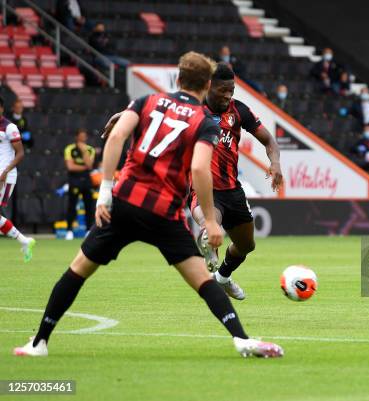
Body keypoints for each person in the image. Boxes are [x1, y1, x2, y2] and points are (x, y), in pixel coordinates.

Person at [13, 52, 283, 358]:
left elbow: (116, 137)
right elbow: (198, 169)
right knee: (201, 280)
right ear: (206, 84)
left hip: (125, 203)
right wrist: (209, 220)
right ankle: (242, 340)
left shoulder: (146, 102)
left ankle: (39, 343)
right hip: (163, 211)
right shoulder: (203, 121)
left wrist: (104, 192)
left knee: (78, 270)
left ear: (177, 79)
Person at [191, 63, 283, 300]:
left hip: (233, 189)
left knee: (246, 246)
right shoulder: (192, 109)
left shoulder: (239, 110)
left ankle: (222, 277)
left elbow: (269, 141)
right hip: (204, 185)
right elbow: (153, 112)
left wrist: (275, 164)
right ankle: (206, 237)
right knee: (211, 221)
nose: (228, 95)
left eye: (231, 90)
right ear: (209, 86)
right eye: (223, 90)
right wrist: (127, 115)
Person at [0, 97, 35, 262]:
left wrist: (6, 170)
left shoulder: (10, 127)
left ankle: (24, 241)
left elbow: (20, 153)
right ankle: (25, 241)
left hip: (6, 175)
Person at [64, 129, 96, 240]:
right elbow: (70, 167)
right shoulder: (70, 149)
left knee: (89, 206)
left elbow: (90, 165)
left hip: (87, 180)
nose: (83, 138)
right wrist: (84, 167)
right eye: (81, 136)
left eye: (85, 136)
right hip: (74, 180)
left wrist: (84, 151)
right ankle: (69, 231)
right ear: (77, 137)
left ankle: (88, 231)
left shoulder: (90, 150)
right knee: (72, 206)